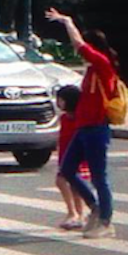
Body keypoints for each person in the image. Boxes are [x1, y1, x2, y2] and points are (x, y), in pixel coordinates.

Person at [45, 7, 119, 239]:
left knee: (99, 177)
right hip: (83, 128)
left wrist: (67, 22)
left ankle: (105, 221)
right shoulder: (91, 71)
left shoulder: (103, 64)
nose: (81, 53)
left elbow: (78, 44)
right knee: (67, 170)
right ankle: (95, 208)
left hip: (97, 129)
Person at [55, 85, 91, 230]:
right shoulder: (64, 118)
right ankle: (78, 215)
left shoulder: (79, 119)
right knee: (74, 186)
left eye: (60, 100)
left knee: (65, 182)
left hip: (77, 157)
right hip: (65, 156)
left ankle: (74, 213)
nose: (58, 102)